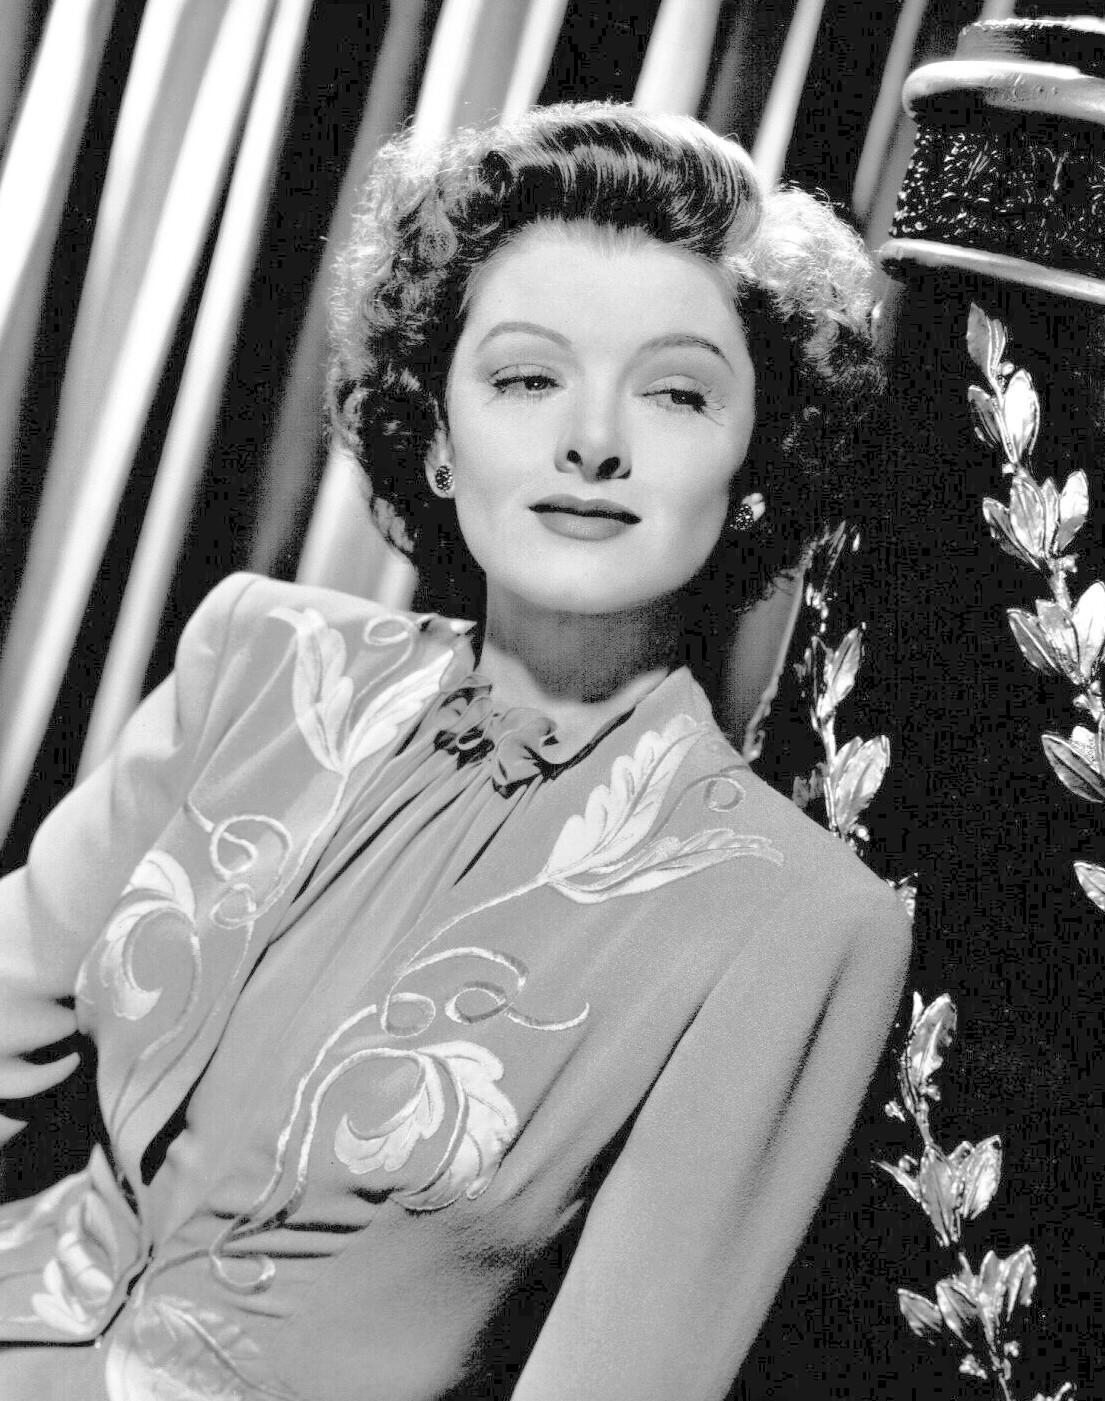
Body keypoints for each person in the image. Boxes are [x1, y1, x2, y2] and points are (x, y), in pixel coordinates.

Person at [0, 103, 910, 1400]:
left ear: (757, 464)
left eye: (674, 392)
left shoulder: (797, 922)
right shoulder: (257, 659)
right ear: (436, 435)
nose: (592, 440)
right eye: (527, 377)